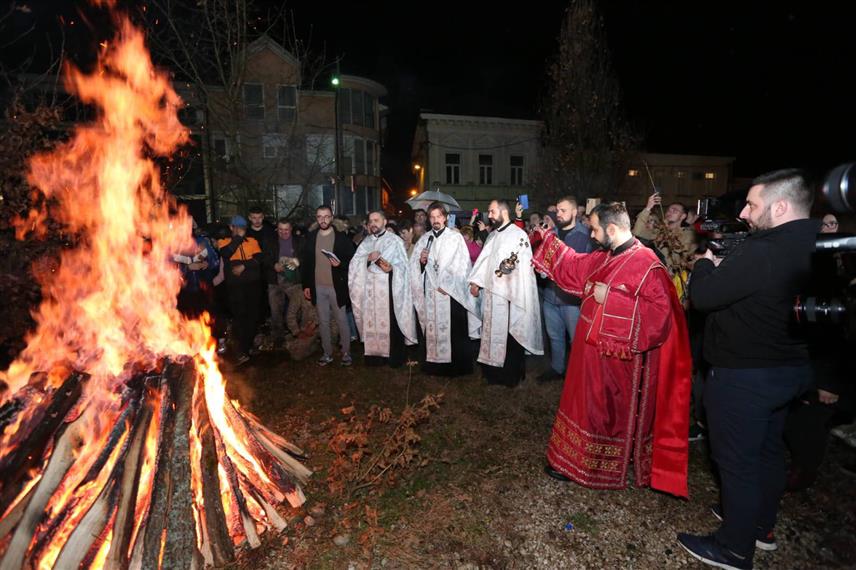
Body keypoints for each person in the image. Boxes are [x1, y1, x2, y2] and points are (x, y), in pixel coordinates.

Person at [677, 169, 820, 570]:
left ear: (780, 206)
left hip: (745, 375)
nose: (744, 212)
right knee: (769, 451)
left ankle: (734, 548)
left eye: (753, 205)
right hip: (789, 370)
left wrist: (706, 263)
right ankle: (760, 525)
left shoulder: (764, 251)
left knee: (736, 461)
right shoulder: (819, 244)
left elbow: (704, 297)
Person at [531, 202, 691, 496]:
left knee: (601, 415)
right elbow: (576, 265)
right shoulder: (607, 256)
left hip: (615, 364)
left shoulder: (647, 264)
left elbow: (659, 319)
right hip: (588, 355)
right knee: (582, 408)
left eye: (594, 229)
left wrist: (614, 299)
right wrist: (547, 241)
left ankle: (596, 468)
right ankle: (574, 461)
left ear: (612, 229)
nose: (591, 235)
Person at [468, 199, 543, 386]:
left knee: (509, 338)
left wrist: (507, 284)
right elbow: (485, 261)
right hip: (492, 297)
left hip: (510, 296)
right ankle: (492, 374)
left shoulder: (518, 235)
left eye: (492, 212)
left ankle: (510, 377)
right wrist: (476, 282)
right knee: (491, 334)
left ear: (504, 212)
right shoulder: (493, 236)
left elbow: (521, 266)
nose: (490, 216)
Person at [409, 202, 480, 376]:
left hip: (451, 294)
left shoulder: (455, 238)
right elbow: (414, 268)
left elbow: (462, 266)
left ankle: (456, 368)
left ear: (446, 218)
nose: (435, 220)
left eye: (439, 216)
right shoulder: (425, 239)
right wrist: (421, 261)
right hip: (431, 294)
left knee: (455, 332)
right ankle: (434, 366)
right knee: (433, 329)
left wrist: (447, 285)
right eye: (432, 217)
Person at [348, 211, 416, 367]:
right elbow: (354, 264)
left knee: (391, 323)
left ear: (384, 222)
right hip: (370, 292)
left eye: (376, 220)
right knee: (372, 320)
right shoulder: (365, 243)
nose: (373, 223)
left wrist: (391, 268)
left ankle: (393, 357)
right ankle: (375, 358)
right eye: (371, 221)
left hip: (389, 290)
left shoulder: (395, 241)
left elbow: (403, 267)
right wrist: (367, 258)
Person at [538, 197, 593, 382]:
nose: (558, 214)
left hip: (572, 301)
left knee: (576, 340)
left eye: (563, 210)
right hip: (550, 296)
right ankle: (557, 368)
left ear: (575, 212)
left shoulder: (586, 236)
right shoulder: (551, 234)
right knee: (554, 336)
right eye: (558, 211)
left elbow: (588, 269)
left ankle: (578, 375)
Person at [301, 205, 355, 367]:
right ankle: (327, 353)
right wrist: (307, 285)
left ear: (331, 218)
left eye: (326, 216)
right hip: (318, 286)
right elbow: (307, 263)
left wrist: (340, 264)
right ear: (316, 219)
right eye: (319, 216)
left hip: (336, 286)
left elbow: (352, 260)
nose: (323, 220)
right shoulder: (311, 237)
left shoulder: (341, 238)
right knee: (323, 321)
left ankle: (346, 353)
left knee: (341, 320)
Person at [217, 215, 264, 365]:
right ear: (231, 228)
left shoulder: (252, 241)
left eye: (243, 228)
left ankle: (248, 347)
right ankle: (239, 351)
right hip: (235, 288)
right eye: (238, 227)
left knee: (252, 317)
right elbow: (226, 254)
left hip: (253, 285)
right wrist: (237, 239)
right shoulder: (224, 242)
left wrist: (244, 265)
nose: (242, 230)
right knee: (239, 318)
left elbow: (259, 259)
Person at [268, 219, 313, 344]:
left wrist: (298, 261)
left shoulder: (300, 241)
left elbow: (307, 255)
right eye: (281, 230)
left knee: (298, 307)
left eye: (286, 229)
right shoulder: (271, 241)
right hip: (275, 280)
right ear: (277, 229)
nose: (283, 232)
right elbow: (264, 257)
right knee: (275, 310)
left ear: (291, 229)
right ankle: (279, 338)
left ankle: (298, 333)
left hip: (294, 280)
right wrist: (274, 264)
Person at [634, 193, 696, 275]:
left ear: (683, 216)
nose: (670, 212)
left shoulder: (688, 234)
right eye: (669, 210)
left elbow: (679, 248)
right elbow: (638, 232)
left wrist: (666, 231)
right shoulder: (659, 231)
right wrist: (648, 208)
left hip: (674, 277)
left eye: (675, 210)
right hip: (654, 273)